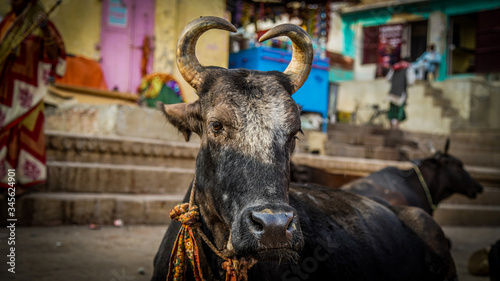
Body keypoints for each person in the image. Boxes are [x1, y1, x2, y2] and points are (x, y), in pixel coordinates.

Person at [0, 0, 66, 191]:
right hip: (5, 91)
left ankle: (21, 182)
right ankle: (6, 182)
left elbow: (55, 55)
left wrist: (44, 29)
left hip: (29, 93)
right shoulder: (8, 24)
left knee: (24, 137)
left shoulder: (42, 25)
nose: (13, 1)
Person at [385, 56, 415, 129]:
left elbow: (388, 79)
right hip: (401, 93)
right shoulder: (408, 68)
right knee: (399, 111)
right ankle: (396, 126)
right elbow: (410, 82)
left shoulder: (394, 68)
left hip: (392, 92)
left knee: (392, 110)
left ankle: (392, 126)